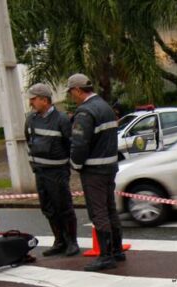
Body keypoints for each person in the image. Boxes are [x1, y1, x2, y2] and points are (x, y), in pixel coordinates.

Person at [66, 73, 125, 271]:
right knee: (110, 210)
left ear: (77, 90)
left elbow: (79, 144)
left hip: (94, 170)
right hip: (109, 167)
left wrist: (75, 163)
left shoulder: (85, 112)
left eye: (71, 92)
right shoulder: (105, 107)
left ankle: (106, 255)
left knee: (98, 211)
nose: (72, 96)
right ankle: (117, 250)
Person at [24, 83, 79, 257]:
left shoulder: (61, 119)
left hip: (57, 172)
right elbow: (28, 139)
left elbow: (70, 143)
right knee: (47, 208)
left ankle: (72, 242)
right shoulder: (31, 119)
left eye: (33, 99)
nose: (31, 102)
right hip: (40, 172)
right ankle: (59, 241)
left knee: (63, 206)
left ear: (44, 100)